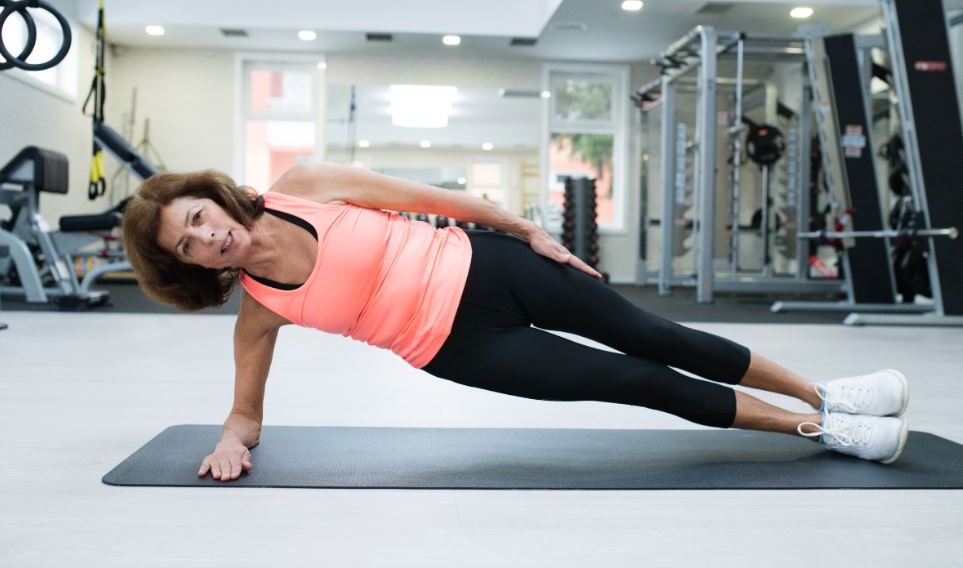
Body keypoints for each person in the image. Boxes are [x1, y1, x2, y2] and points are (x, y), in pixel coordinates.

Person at [123, 164, 910, 482]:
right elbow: (247, 410)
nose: (205, 237)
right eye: (187, 246)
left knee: (656, 336)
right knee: (636, 381)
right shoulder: (261, 307)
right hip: (462, 347)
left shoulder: (301, 185)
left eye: (197, 217)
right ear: (190, 266)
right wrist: (232, 439)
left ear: (213, 195)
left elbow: (429, 196)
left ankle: (825, 392)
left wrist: (526, 230)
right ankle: (820, 432)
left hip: (493, 265)